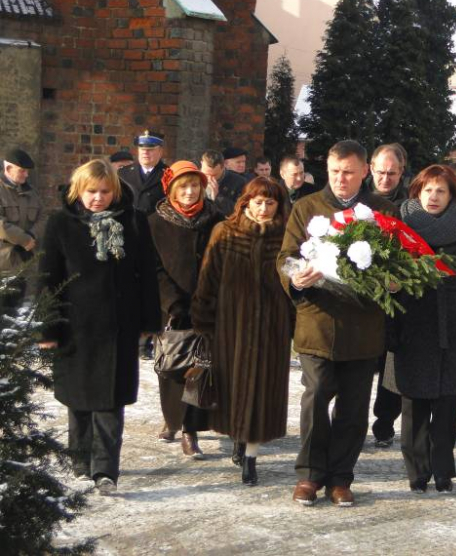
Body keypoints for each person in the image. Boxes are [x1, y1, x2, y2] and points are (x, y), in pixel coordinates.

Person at [277, 140, 398, 507]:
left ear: (365, 171)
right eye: (334, 172)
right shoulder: (306, 207)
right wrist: (295, 277)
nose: (341, 179)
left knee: (354, 406)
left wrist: (390, 280)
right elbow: (285, 256)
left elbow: (396, 262)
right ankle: (310, 476)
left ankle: (341, 477)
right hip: (318, 323)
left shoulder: (382, 211)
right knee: (315, 399)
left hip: (363, 326)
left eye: (348, 172)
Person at [39, 159, 161, 493]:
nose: (98, 198)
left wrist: (150, 320)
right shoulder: (61, 223)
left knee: (110, 400)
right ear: (79, 190)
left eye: (105, 191)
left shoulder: (133, 221)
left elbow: (147, 273)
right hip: (74, 325)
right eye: (92, 191)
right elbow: (48, 277)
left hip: (118, 326)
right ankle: (79, 460)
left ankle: (106, 470)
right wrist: (47, 328)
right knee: (78, 398)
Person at [382, 165, 456, 493]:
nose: (433, 196)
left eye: (441, 191)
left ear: (452, 195)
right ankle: (417, 470)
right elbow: (384, 275)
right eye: (427, 190)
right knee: (413, 402)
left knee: (446, 402)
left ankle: (442, 469)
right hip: (412, 323)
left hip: (453, 324)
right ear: (417, 192)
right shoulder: (400, 226)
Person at [192, 177, 292, 485]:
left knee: (263, 391)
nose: (263, 209)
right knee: (232, 389)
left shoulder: (287, 237)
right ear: (246, 202)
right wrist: (204, 321)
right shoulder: (225, 233)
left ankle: (251, 456)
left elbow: (295, 286)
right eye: (258, 202)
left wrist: (292, 323)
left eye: (270, 203)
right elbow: (208, 279)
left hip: (271, 329)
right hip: (231, 327)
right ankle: (237, 437)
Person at [148, 161, 222, 456]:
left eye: (195, 186)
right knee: (171, 367)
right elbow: (152, 267)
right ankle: (172, 419)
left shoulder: (216, 218)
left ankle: (190, 430)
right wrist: (172, 301)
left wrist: (210, 297)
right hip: (171, 308)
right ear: (171, 190)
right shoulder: (155, 222)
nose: (190, 192)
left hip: (207, 305)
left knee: (199, 369)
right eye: (183, 187)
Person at [364, 143, 408, 449]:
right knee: (358, 366)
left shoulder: (410, 206)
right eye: (381, 171)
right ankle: (350, 419)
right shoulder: (358, 202)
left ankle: (384, 422)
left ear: (402, 172)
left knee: (391, 366)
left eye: (392, 173)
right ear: (370, 169)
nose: (386, 178)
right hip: (361, 300)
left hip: (397, 300)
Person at [0, 148, 41, 313]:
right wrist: (24, 239)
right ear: (8, 169)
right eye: (22, 171)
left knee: (15, 312)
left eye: (27, 171)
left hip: (23, 263)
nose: (26, 175)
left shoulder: (31, 193)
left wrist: (32, 235)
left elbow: (43, 217)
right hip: (2, 263)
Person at [118, 129, 168, 215]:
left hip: (154, 226)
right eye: (142, 149)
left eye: (150, 149)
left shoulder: (169, 174)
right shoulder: (123, 173)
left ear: (160, 151)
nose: (145, 153)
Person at [200, 149, 247, 218]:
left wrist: (218, 197)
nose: (209, 179)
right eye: (206, 174)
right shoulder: (194, 179)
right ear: (201, 164)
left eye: (214, 175)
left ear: (223, 167)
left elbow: (240, 211)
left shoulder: (239, 182)